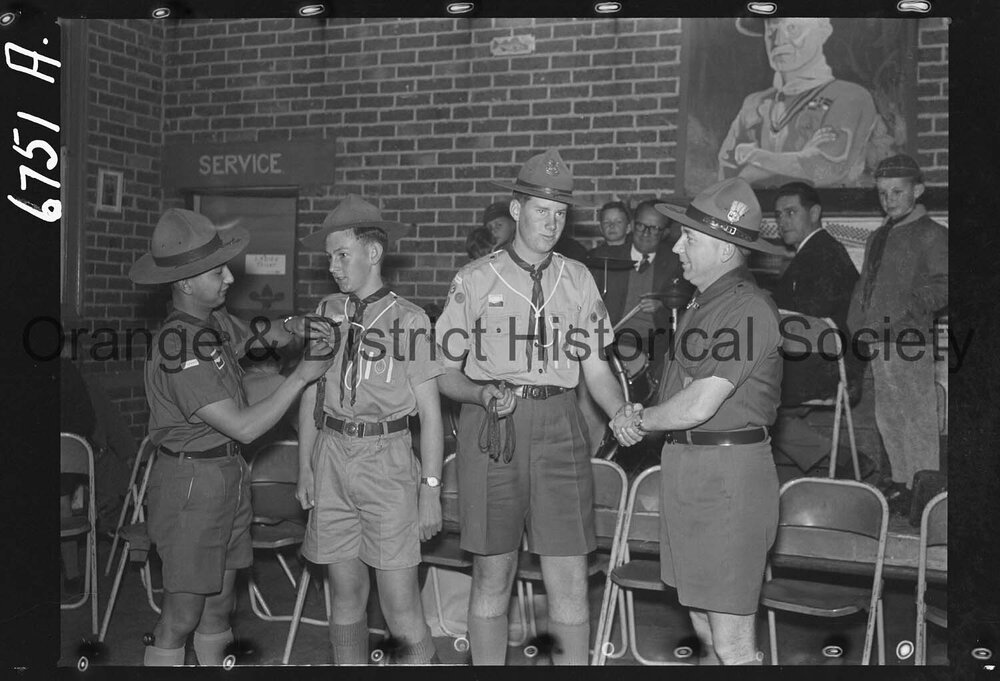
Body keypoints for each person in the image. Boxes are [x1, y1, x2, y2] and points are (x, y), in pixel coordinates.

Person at [435, 149, 636, 665]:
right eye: (542, 210)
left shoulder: (579, 279)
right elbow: (443, 370)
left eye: (561, 213)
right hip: (494, 425)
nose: (551, 223)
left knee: (569, 575)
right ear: (516, 208)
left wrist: (618, 412)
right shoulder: (476, 279)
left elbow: (596, 369)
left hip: (560, 423)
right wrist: (480, 392)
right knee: (493, 571)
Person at [129, 208, 336, 666]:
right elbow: (244, 426)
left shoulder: (212, 321)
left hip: (226, 475)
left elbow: (259, 338)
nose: (228, 278)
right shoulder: (178, 345)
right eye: (216, 271)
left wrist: (295, 325)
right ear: (184, 282)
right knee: (181, 614)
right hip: (190, 486)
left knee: (221, 603)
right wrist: (301, 376)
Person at [618, 177, 786, 665]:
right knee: (702, 623)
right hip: (691, 469)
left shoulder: (748, 309)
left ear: (727, 247)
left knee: (732, 640)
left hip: (727, 478)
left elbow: (699, 404)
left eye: (689, 237)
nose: (677, 245)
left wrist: (640, 421)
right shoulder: (703, 303)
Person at [296, 195, 445, 665]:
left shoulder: (411, 319)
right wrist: (305, 467)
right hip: (332, 456)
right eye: (329, 258)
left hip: (387, 458)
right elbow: (309, 393)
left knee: (400, 603)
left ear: (373, 253)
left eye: (343, 255)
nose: (334, 267)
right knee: (344, 595)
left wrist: (430, 489)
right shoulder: (325, 310)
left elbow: (433, 415)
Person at [846, 154, 948, 511]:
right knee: (889, 416)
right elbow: (866, 284)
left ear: (918, 190)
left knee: (917, 414)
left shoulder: (933, 235)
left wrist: (905, 313)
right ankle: (904, 484)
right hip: (878, 340)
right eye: (883, 193)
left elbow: (942, 285)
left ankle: (927, 491)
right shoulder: (878, 236)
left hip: (909, 339)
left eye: (897, 192)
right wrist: (857, 323)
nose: (889, 200)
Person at [766, 181, 876, 478]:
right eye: (778, 215)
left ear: (814, 212)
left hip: (828, 368)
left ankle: (839, 461)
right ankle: (841, 461)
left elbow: (803, 321)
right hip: (823, 363)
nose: (782, 221)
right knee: (750, 398)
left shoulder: (821, 254)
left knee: (743, 395)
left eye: (790, 212)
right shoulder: (816, 251)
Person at [718, 17, 893, 188]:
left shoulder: (851, 96)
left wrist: (755, 158)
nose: (778, 40)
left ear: (823, 31)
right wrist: (799, 159)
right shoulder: (755, 103)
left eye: (792, 28)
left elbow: (825, 169)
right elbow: (726, 175)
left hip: (831, 212)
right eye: (771, 31)